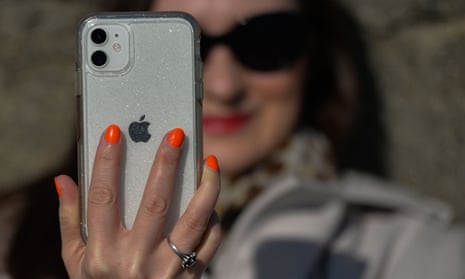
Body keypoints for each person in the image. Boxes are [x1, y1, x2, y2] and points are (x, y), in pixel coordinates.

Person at [3, 0, 464, 278]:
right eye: (188, 48)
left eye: (267, 43)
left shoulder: (419, 252)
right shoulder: (8, 240)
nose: (222, 85)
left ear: (316, 61)